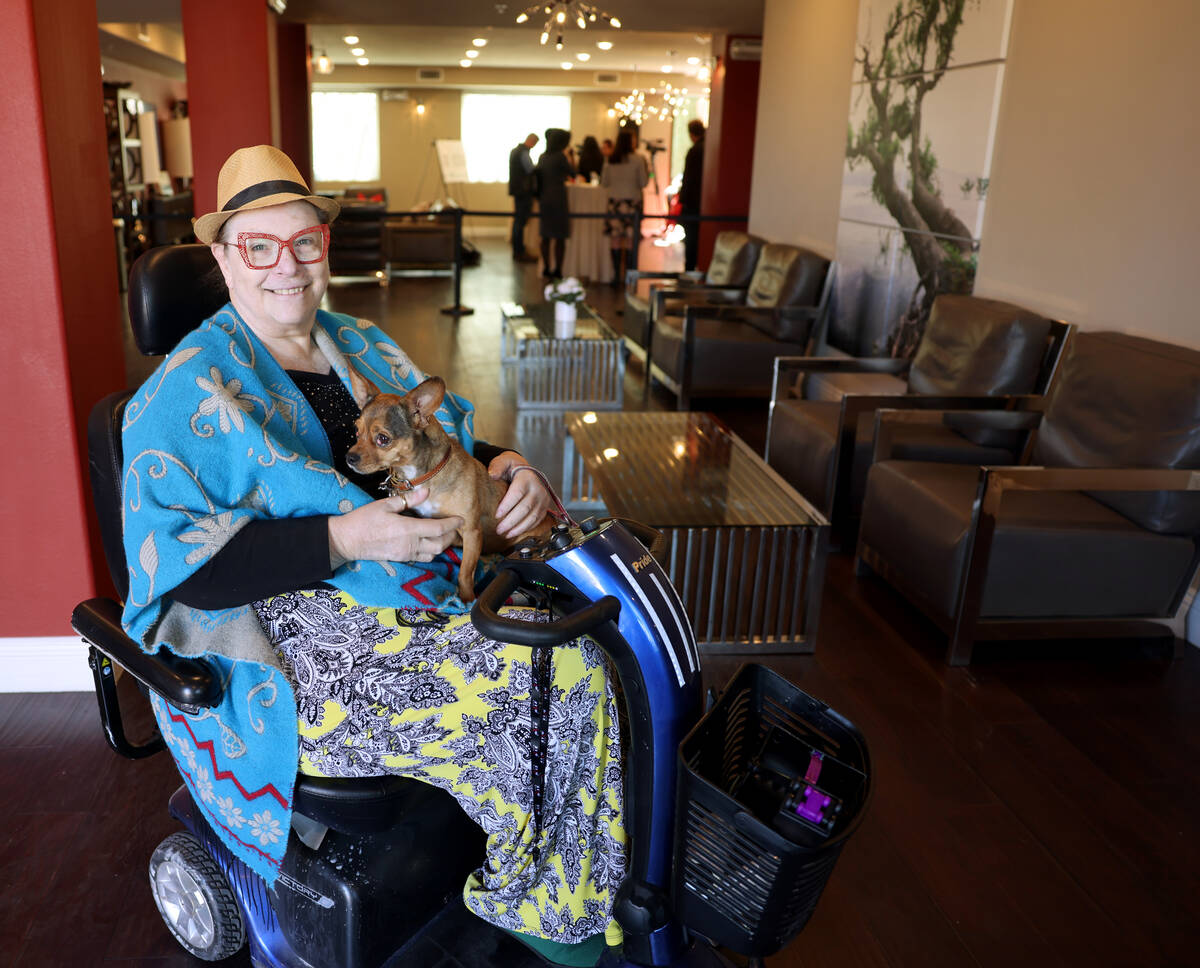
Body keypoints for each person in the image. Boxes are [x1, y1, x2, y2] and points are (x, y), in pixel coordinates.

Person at [121, 144, 625, 967]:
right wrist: (345, 537)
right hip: (285, 643)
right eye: (258, 245)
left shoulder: (358, 343)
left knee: (587, 626)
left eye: (305, 243)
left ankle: (562, 858)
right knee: (554, 668)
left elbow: (441, 440)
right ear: (221, 256)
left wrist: (506, 466)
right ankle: (547, 909)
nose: (287, 267)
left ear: (324, 248)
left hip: (406, 580)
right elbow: (183, 572)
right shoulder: (182, 394)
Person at [600, 130, 648, 288]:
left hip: (615, 201)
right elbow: (643, 182)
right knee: (629, 239)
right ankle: (628, 275)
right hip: (632, 202)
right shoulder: (638, 160)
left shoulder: (611, 160)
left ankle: (615, 276)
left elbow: (604, 182)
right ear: (631, 142)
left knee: (615, 239)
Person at [535, 128, 576, 280]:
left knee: (545, 236)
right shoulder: (560, 157)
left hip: (545, 199)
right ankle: (558, 268)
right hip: (558, 199)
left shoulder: (543, 157)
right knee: (559, 237)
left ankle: (546, 267)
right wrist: (570, 156)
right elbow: (573, 173)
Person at [679, 120, 706, 272]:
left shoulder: (695, 151)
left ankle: (689, 270)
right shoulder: (705, 148)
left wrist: (684, 200)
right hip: (700, 201)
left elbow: (689, 178)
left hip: (693, 203)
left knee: (691, 239)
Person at [508, 132, 539, 262]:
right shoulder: (523, 153)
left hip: (517, 190)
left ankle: (518, 249)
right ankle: (519, 251)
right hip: (523, 191)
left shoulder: (516, 151)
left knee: (518, 221)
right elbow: (530, 169)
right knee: (520, 221)